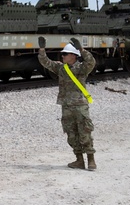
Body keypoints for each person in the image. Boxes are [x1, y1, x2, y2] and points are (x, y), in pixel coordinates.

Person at [37, 36, 97, 170]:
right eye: (62, 54)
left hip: (80, 105)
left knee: (85, 132)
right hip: (66, 105)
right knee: (71, 134)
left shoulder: (82, 68)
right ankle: (79, 160)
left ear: (73, 56)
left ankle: (91, 160)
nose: (62, 56)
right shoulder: (61, 68)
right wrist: (42, 50)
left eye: (65, 54)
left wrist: (81, 49)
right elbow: (46, 62)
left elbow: (91, 61)